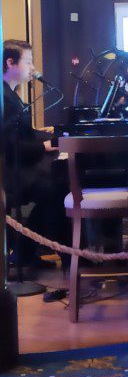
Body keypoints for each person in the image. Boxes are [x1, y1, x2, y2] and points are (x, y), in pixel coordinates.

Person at [3, 39, 68, 269]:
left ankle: (25, 252)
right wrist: (44, 146)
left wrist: (48, 136)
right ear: (10, 63)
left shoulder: (10, 94)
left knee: (57, 185)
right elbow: (11, 147)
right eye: (28, 61)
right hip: (11, 172)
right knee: (56, 189)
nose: (33, 67)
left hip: (19, 165)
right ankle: (28, 253)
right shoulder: (5, 99)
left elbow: (23, 134)